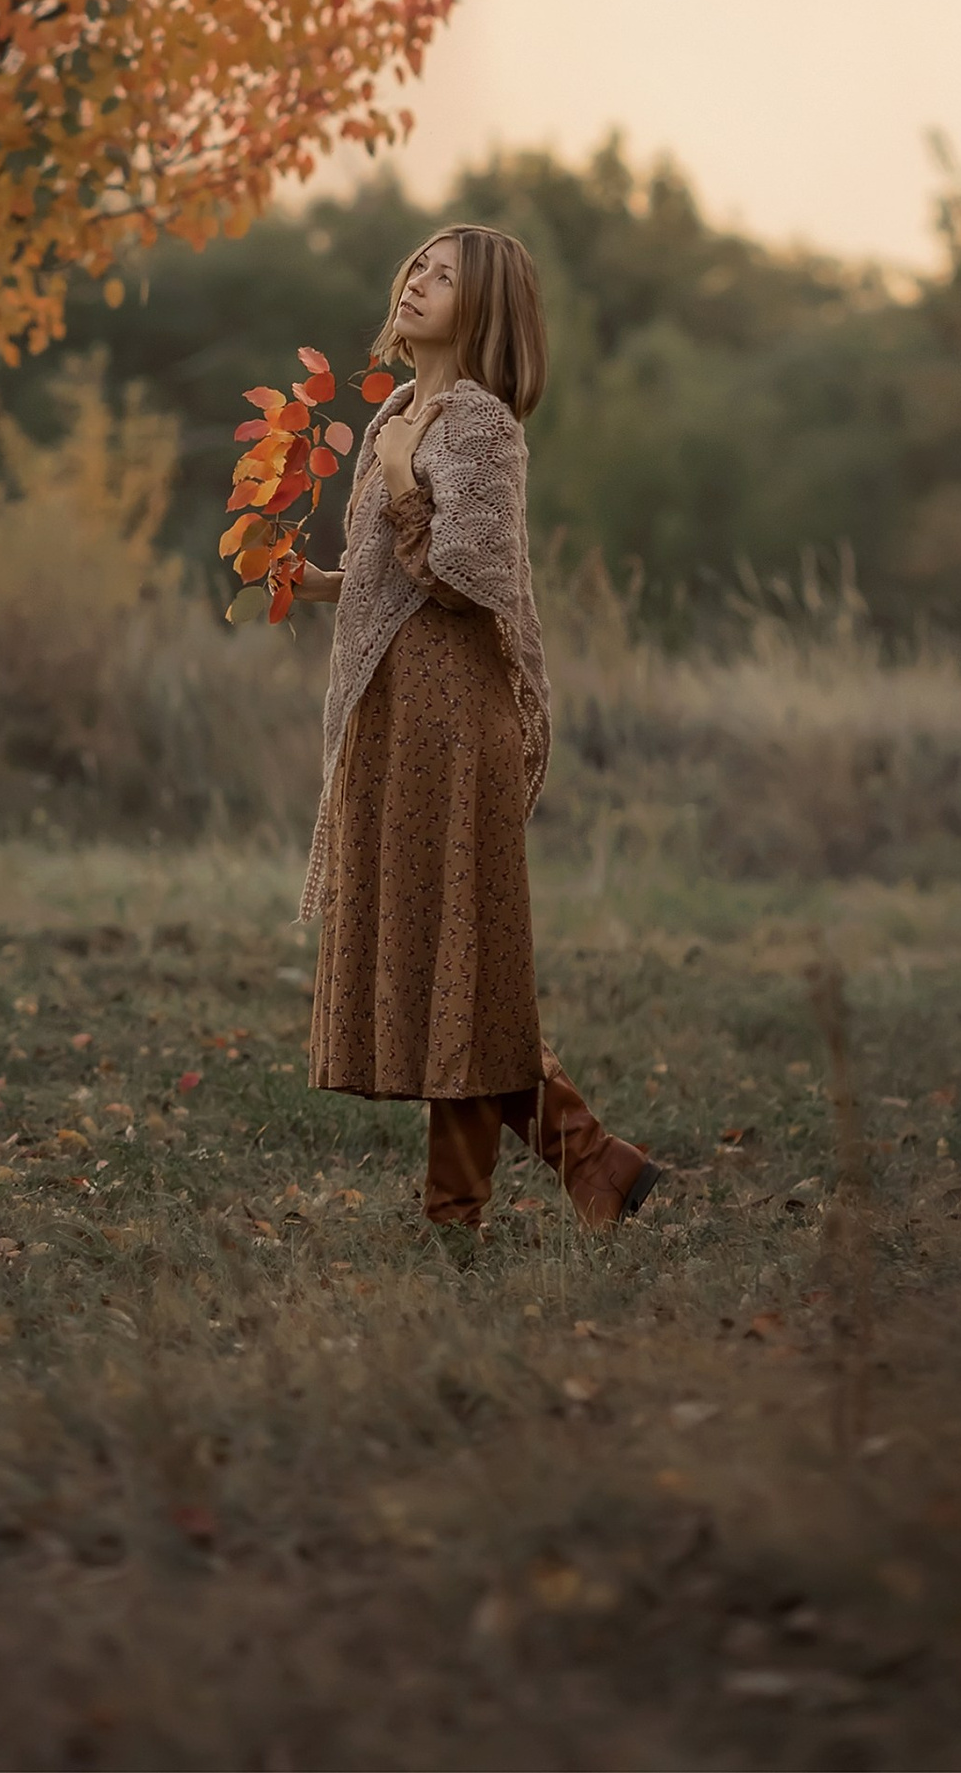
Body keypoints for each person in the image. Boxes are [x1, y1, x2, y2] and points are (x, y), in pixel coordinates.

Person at [293, 224, 663, 1234]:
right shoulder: (398, 416)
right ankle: (564, 1170)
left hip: (455, 723)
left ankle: (500, 1193)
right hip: (394, 720)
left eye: (443, 275)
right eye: (414, 262)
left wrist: (411, 480)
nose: (415, 279)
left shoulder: (479, 425)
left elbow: (468, 580)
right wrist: (318, 581)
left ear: (484, 306)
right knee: (438, 961)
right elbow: (395, 583)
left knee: (462, 963)